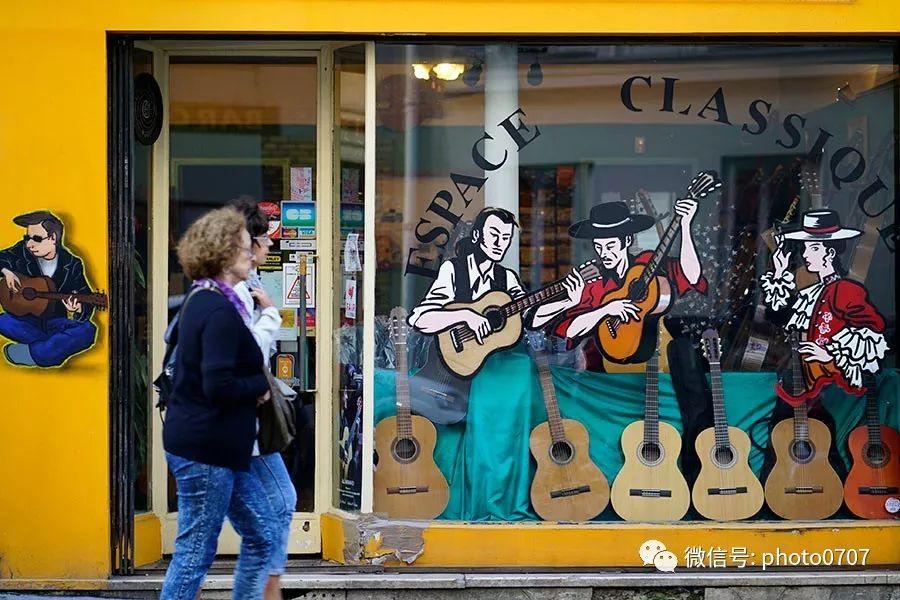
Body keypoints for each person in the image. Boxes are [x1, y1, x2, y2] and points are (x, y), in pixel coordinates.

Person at [161, 206, 275, 600]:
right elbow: (218, 384)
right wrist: (258, 385)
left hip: (221, 448)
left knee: (263, 535)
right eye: (246, 248)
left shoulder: (205, 299)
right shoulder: (218, 310)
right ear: (225, 255)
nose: (253, 253)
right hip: (206, 451)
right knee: (195, 551)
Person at [530, 200, 706, 370]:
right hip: (602, 372)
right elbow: (567, 332)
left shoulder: (646, 264)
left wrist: (685, 225)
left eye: (610, 246)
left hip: (653, 364)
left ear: (628, 240)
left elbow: (690, 276)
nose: (604, 253)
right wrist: (605, 309)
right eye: (598, 247)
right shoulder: (595, 283)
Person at [228, 196, 297, 600]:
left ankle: (271, 587)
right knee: (198, 544)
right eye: (264, 238)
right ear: (245, 242)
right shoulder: (231, 294)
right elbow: (247, 353)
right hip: (233, 429)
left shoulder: (249, 288)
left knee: (283, 500)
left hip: (249, 426)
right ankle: (267, 590)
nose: (270, 245)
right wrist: (271, 314)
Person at [761, 209, 888, 403]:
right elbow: (776, 314)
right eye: (804, 248)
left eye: (813, 248)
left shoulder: (845, 290)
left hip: (832, 388)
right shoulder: (814, 291)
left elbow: (872, 333)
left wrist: (829, 353)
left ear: (829, 253)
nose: (805, 255)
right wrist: (779, 271)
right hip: (809, 384)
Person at [408, 207, 526, 338]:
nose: (499, 243)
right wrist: (465, 316)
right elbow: (421, 320)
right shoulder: (453, 269)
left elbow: (529, 314)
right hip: (455, 354)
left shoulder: (507, 277)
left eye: (506, 237)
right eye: (493, 235)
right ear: (476, 235)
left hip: (496, 354)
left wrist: (553, 302)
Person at [0, 210, 98, 366]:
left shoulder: (71, 264)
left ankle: (34, 354)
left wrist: (77, 310)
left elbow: (84, 297)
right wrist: (6, 271)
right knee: (3, 321)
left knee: (88, 330)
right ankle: (54, 346)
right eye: (27, 238)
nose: (30, 244)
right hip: (26, 320)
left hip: (56, 321)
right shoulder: (22, 251)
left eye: (36, 239)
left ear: (53, 238)